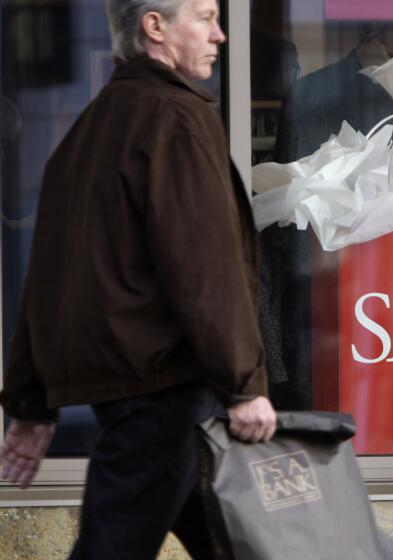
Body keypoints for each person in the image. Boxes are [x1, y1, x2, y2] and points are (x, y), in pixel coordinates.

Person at [0, 0, 276, 557]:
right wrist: (243, 383)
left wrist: (31, 404)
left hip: (141, 391)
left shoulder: (92, 128)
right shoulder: (174, 118)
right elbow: (205, 266)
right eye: (204, 17)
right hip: (162, 390)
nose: (220, 34)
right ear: (155, 27)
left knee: (241, 544)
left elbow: (45, 280)